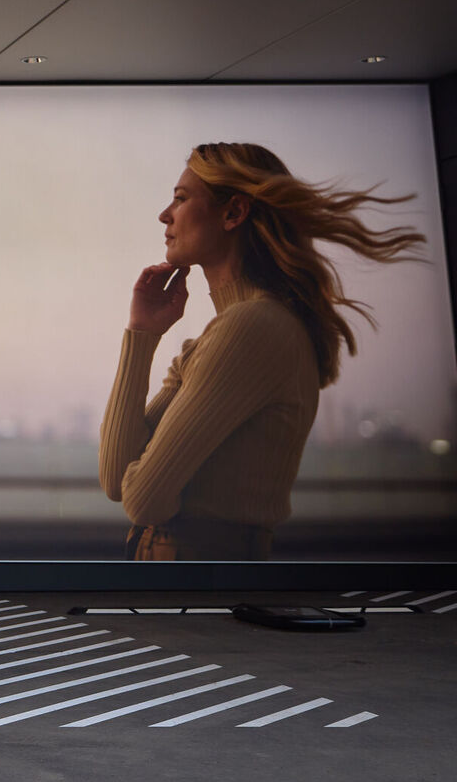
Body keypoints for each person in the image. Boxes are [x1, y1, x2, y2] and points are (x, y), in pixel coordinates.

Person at [100, 142, 425, 560]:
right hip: (193, 593)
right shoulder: (228, 333)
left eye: (181, 199)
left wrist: (154, 489)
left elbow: (142, 501)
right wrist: (141, 336)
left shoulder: (250, 329)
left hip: (198, 599)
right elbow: (115, 480)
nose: (165, 214)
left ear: (234, 213)